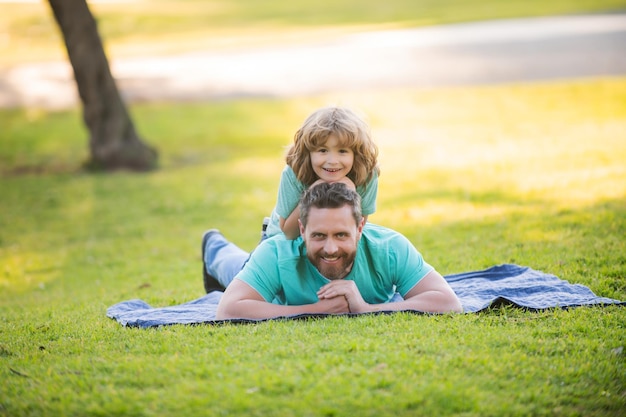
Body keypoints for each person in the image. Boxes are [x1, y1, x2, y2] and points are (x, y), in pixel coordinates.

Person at [212, 182, 462, 320]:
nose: (330, 249)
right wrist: (316, 310)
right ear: (301, 229)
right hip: (263, 277)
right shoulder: (277, 252)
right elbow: (228, 309)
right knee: (231, 264)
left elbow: (448, 302)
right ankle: (213, 244)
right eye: (319, 235)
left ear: (360, 227)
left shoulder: (389, 248)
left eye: (341, 235)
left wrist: (366, 309)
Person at [264, 106, 380, 240]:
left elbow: (358, 228)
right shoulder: (294, 173)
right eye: (323, 150)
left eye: (342, 151)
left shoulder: (366, 174)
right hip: (283, 239)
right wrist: (312, 193)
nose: (332, 161)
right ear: (308, 153)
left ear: (356, 154)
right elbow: (289, 233)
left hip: (331, 237)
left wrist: (352, 195)